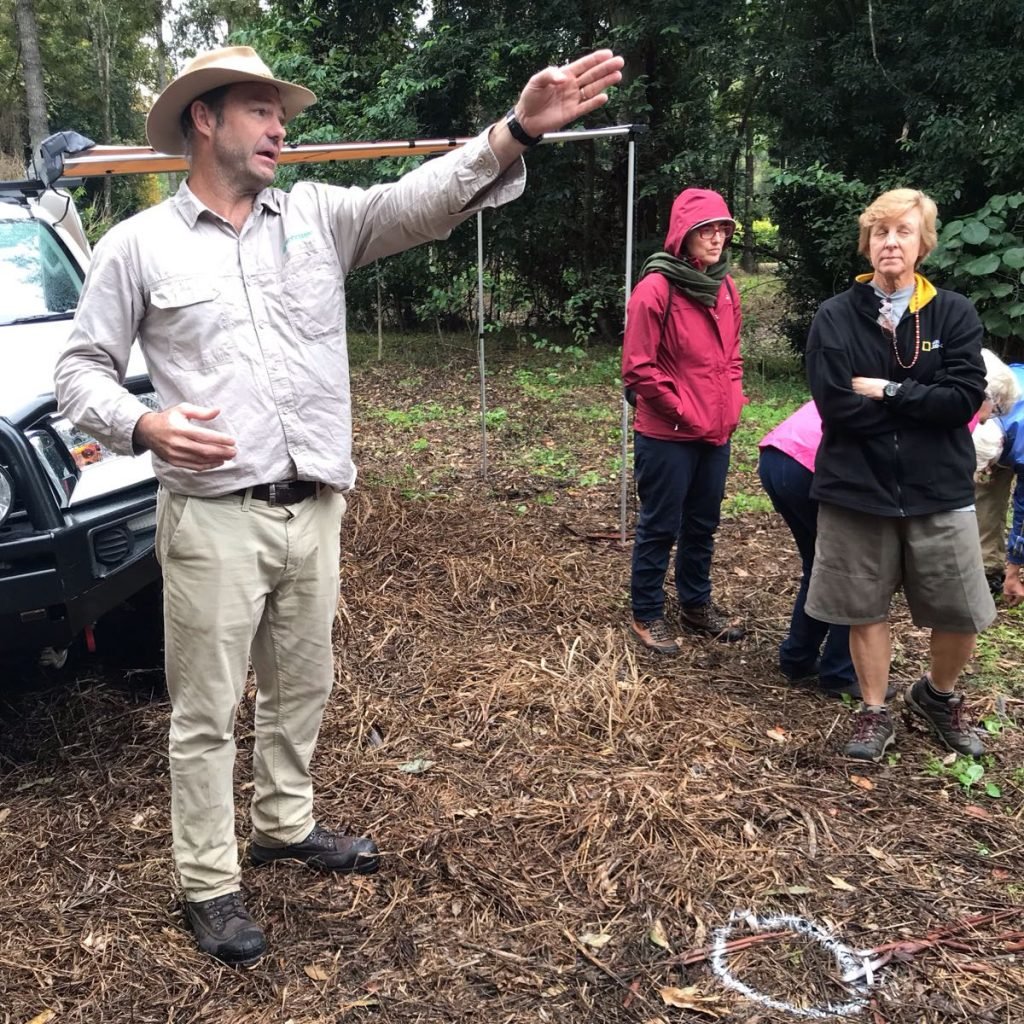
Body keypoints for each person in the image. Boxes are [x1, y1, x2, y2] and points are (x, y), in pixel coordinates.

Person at [54, 44, 623, 965]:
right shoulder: (137, 246)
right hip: (211, 515)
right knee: (206, 710)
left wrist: (515, 131)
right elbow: (78, 374)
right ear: (205, 119)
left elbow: (420, 201)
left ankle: (285, 823)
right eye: (260, 111)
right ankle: (208, 879)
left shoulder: (319, 217)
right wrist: (146, 425)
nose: (282, 127)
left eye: (282, 113)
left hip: (314, 503)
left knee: (301, 683)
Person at [805, 187, 996, 763]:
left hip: (939, 487)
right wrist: (923, 404)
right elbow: (836, 405)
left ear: (923, 244)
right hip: (856, 486)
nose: (891, 242)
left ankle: (937, 696)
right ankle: (873, 709)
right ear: (868, 244)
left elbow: (963, 397)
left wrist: (888, 390)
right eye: (881, 232)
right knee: (864, 607)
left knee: (962, 609)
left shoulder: (953, 312)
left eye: (904, 232)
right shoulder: (835, 316)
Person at [622, 188, 746, 655]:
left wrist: (731, 403)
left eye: (723, 229)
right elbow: (638, 368)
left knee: (703, 522)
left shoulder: (725, 286)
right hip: (667, 434)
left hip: (715, 430)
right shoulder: (655, 289)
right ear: (683, 234)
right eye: (706, 229)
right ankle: (647, 611)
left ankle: (696, 605)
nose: (717, 238)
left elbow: (731, 356)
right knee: (660, 524)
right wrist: (684, 409)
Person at [758, 401, 858, 698]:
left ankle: (798, 658)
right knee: (852, 572)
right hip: (812, 466)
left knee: (819, 566)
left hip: (779, 456)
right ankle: (840, 673)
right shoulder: (951, 402)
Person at [972, 355, 1024, 606]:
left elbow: (1022, 512)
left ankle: (1006, 572)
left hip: (1018, 438)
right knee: (985, 490)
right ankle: (987, 570)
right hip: (1004, 422)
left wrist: (1015, 568)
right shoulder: (987, 400)